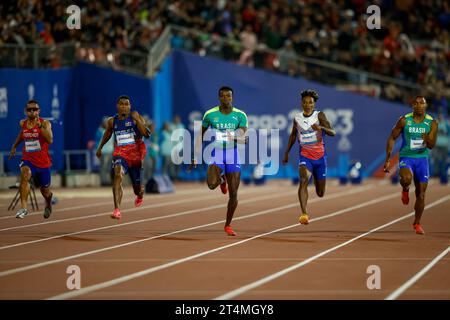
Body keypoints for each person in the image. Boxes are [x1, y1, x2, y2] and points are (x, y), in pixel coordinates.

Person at [189, 86, 248, 236]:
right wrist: (195, 155)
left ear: (232, 98)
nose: (226, 98)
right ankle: (222, 180)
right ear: (219, 98)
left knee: (233, 194)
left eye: (229, 96)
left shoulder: (240, 115)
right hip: (217, 153)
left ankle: (228, 224)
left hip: (232, 154)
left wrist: (236, 137)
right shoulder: (210, 114)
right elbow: (200, 136)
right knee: (210, 185)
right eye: (223, 96)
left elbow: (242, 133)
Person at [384, 96, 438, 235]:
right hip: (407, 157)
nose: (419, 105)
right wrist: (388, 159)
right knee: (406, 179)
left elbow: (431, 146)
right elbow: (392, 137)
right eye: (417, 103)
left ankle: (417, 223)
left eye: (422, 103)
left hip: (422, 159)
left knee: (421, 194)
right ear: (412, 105)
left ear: (426, 106)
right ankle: (405, 189)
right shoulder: (404, 120)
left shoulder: (432, 123)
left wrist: (427, 138)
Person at [282, 89, 335, 225]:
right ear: (301, 103)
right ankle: (304, 213)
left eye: (310, 102)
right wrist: (287, 152)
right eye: (305, 102)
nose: (307, 105)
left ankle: (317, 178)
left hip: (320, 158)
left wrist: (321, 128)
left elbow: (333, 132)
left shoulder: (320, 116)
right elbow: (293, 135)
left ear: (314, 104)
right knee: (303, 179)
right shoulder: (297, 118)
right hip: (305, 156)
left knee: (320, 192)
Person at [96, 95, 150, 219]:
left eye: (127, 104)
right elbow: (107, 134)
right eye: (121, 104)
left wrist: (138, 120)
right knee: (117, 175)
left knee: (138, 190)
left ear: (130, 106)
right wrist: (100, 148)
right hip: (120, 154)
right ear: (117, 106)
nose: (124, 106)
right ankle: (116, 209)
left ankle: (139, 195)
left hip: (136, 157)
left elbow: (146, 134)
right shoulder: (112, 121)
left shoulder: (135, 117)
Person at [8, 100, 54, 219]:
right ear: (26, 111)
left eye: (34, 109)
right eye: (29, 110)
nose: (32, 111)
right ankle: (24, 208)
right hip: (28, 159)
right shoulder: (22, 123)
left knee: (45, 191)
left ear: (39, 111)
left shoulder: (45, 123)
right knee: (25, 174)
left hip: (43, 163)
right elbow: (22, 135)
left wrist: (40, 127)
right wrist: (14, 146)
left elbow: (50, 140)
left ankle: (48, 202)